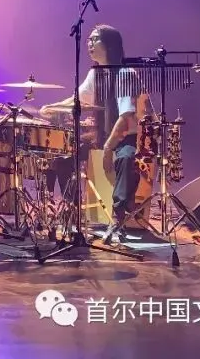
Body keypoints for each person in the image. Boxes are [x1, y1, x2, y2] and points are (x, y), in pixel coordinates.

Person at [40, 23, 142, 243]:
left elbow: (125, 117)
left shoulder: (125, 74)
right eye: (89, 39)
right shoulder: (95, 74)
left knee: (124, 159)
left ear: (110, 45)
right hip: (101, 135)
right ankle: (72, 208)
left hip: (124, 136)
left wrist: (108, 148)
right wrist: (52, 108)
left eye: (95, 39)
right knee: (63, 156)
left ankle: (118, 218)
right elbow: (77, 99)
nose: (89, 43)